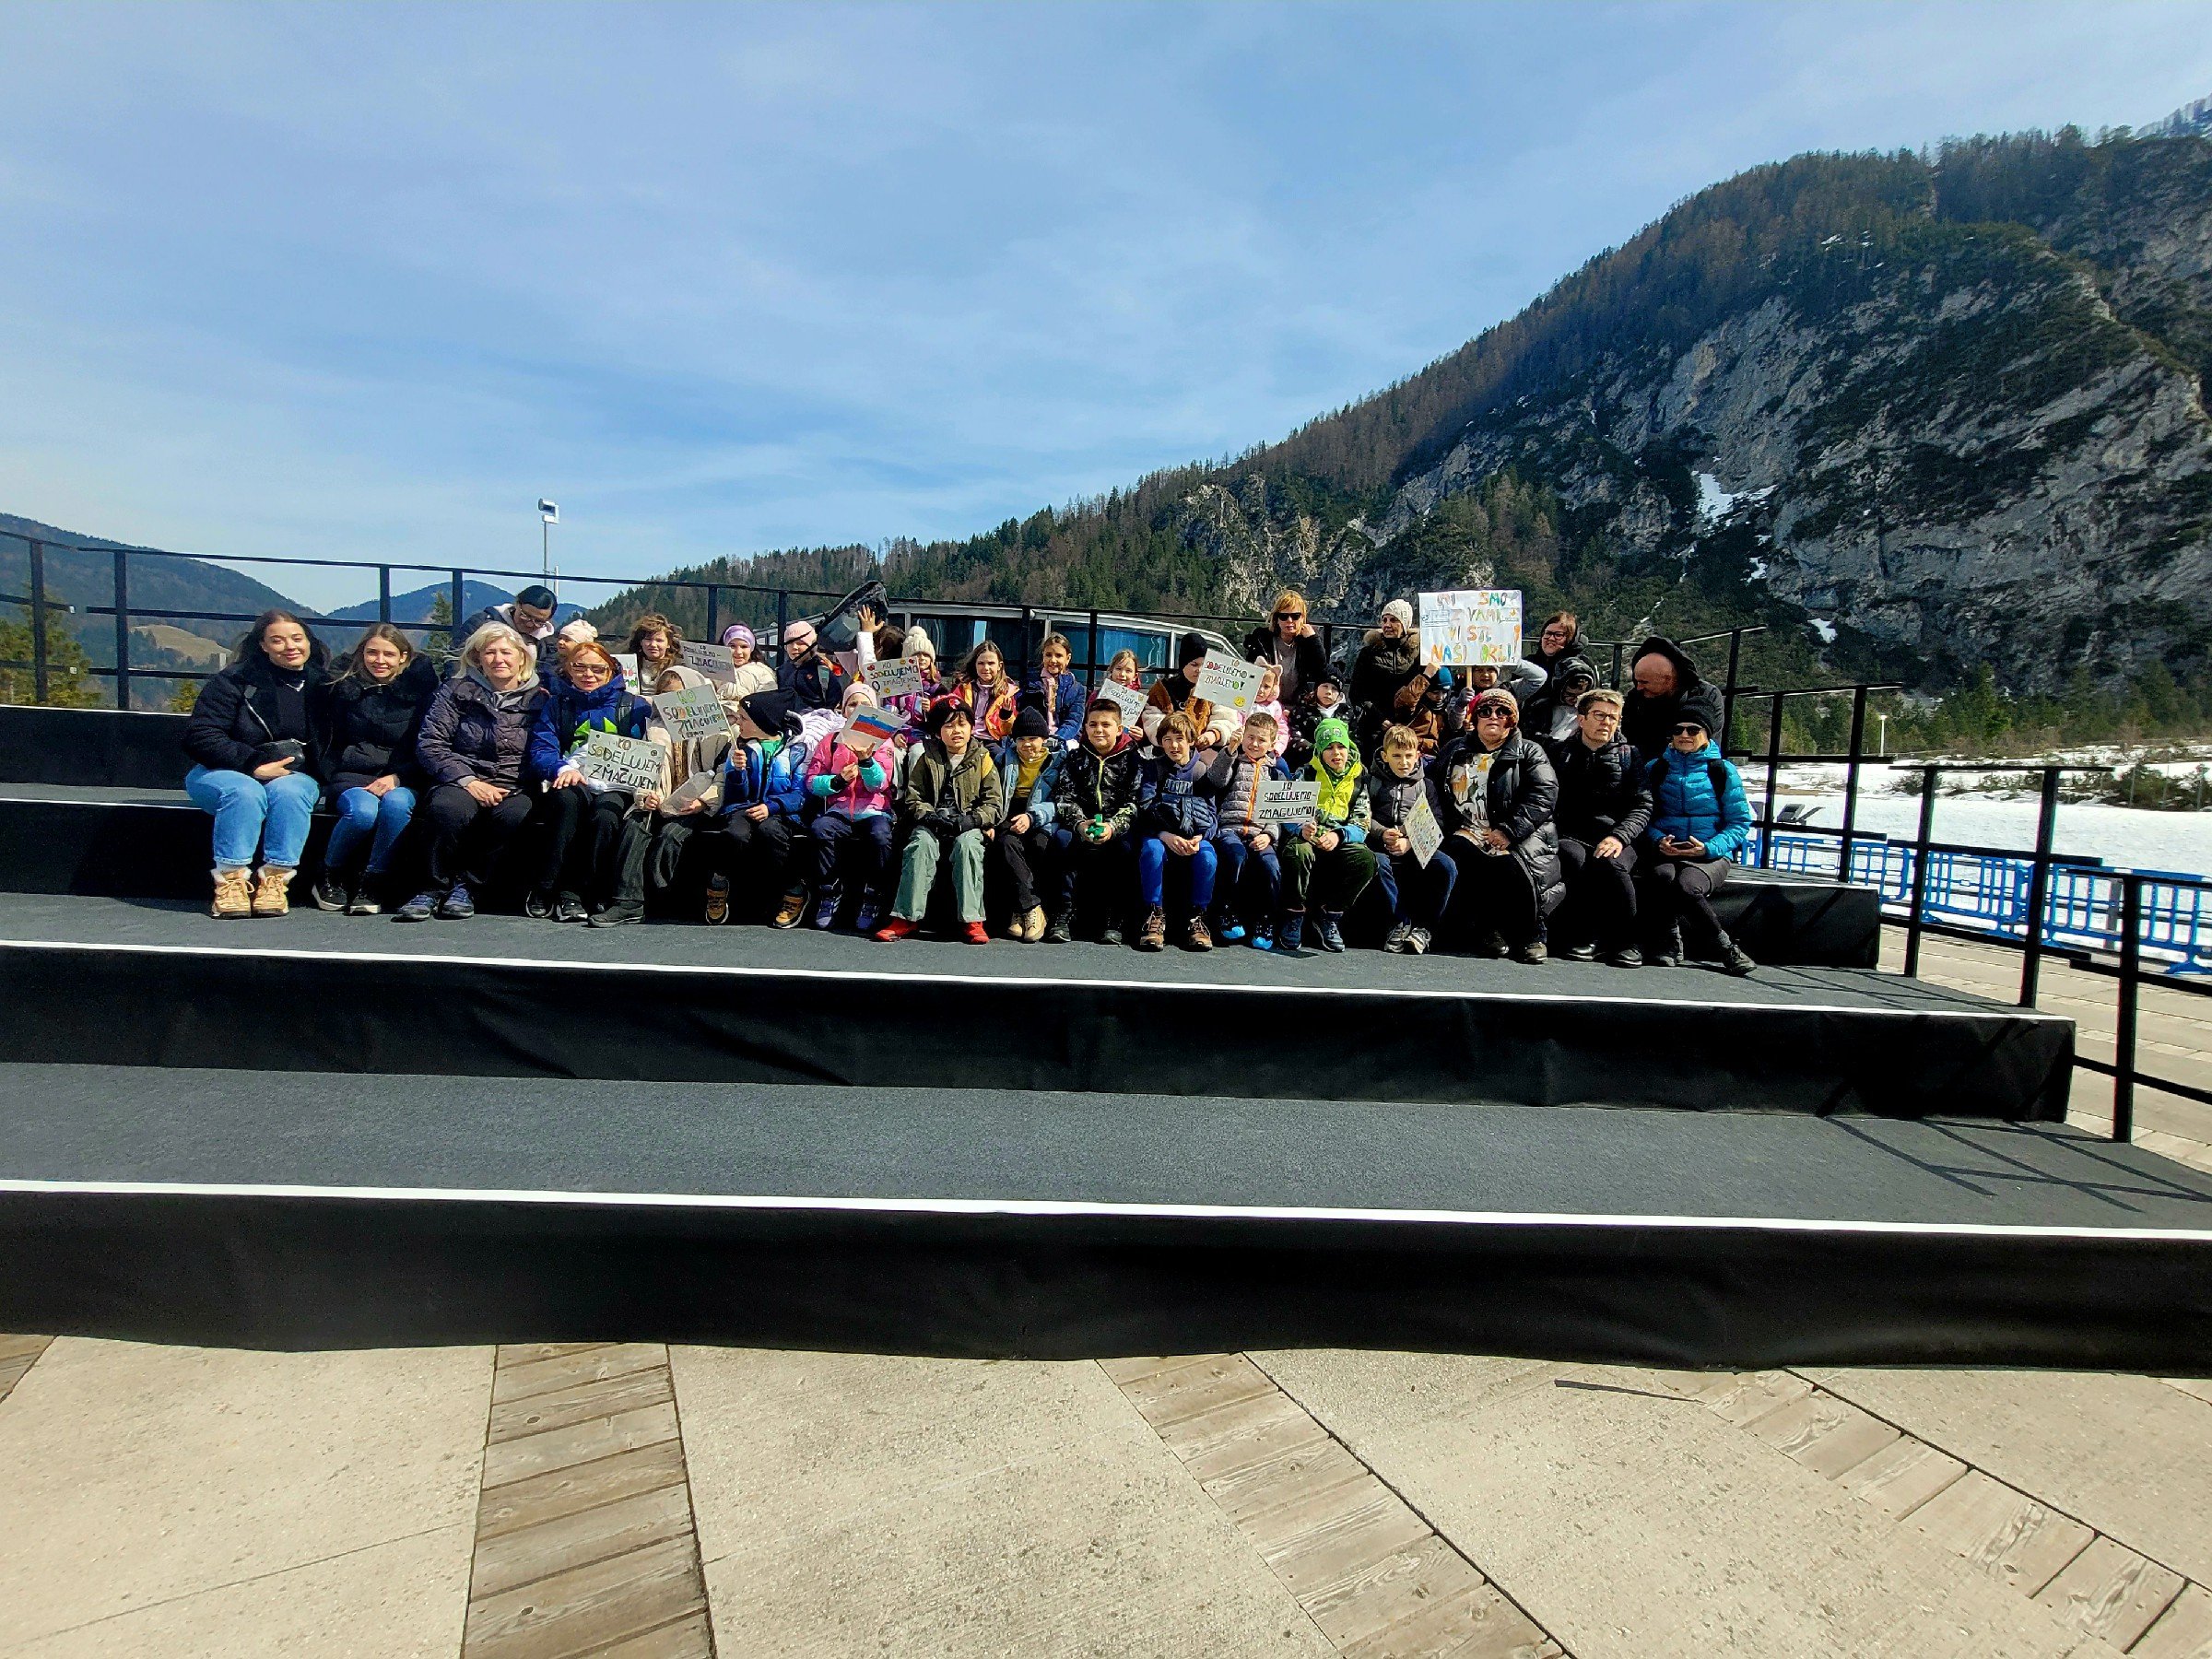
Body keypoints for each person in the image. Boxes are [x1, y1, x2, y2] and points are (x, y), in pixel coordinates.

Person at [182, 608, 330, 920]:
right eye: (277, 640)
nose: (290, 646)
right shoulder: (235, 681)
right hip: (223, 772)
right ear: (263, 645)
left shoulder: (325, 685)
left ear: (309, 641)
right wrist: (253, 765)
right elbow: (201, 736)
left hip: (292, 775)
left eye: (297, 638)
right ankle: (231, 883)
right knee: (245, 793)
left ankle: (275, 881)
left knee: (292, 793)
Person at [402, 621, 547, 921]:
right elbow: (431, 744)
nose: (498, 659)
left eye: (506, 652)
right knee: (448, 809)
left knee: (514, 815)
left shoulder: (541, 698)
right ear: (477, 657)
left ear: (522, 657)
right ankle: (432, 888)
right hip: (461, 778)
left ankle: (467, 887)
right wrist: (468, 781)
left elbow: (547, 745)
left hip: (514, 784)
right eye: (490, 652)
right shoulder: (454, 691)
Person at [309, 622, 437, 915]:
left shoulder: (423, 694)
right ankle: (329, 874)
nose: (380, 660)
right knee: (362, 813)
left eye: (388, 654)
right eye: (372, 653)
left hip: (403, 776)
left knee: (396, 806)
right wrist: (331, 770)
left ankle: (373, 881)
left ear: (403, 657)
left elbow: (428, 745)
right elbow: (325, 737)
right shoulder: (342, 690)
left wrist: (400, 776)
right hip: (352, 773)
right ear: (362, 654)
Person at [523, 640, 653, 923]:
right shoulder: (557, 704)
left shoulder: (635, 706)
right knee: (566, 803)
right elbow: (542, 748)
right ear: (568, 669)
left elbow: (649, 746)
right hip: (572, 776)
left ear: (611, 671)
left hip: (616, 782)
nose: (588, 674)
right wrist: (560, 768)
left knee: (606, 817)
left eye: (597, 669)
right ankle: (545, 886)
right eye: (579, 667)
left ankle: (578, 892)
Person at [593, 664, 732, 928]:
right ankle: (628, 902)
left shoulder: (719, 732)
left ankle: (662, 895)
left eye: (681, 695)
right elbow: (643, 771)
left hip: (698, 805)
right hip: (664, 801)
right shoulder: (655, 730)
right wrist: (646, 796)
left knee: (670, 835)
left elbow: (724, 774)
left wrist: (705, 801)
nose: (675, 704)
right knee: (634, 825)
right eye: (667, 696)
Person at [1431, 688, 1561, 964]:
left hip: (1520, 831)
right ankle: (1489, 931)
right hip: (1466, 830)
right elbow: (1431, 783)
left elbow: (1543, 795)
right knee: (1462, 857)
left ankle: (1533, 936)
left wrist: (1508, 831)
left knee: (1514, 866)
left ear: (1512, 720)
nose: (1494, 716)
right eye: (1485, 711)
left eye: (1503, 712)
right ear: (1474, 718)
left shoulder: (1529, 752)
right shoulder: (1455, 749)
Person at [877, 699, 1005, 944]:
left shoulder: (983, 758)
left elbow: (993, 803)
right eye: (948, 726)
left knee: (968, 847)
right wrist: (929, 816)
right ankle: (905, 917)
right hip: (933, 821)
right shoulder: (927, 757)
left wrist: (971, 820)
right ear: (938, 731)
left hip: (967, 822)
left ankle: (972, 919)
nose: (956, 731)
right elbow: (915, 797)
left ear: (971, 727)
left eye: (962, 725)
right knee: (920, 846)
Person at [1638, 711, 1757, 974]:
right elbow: (1642, 816)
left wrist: (1709, 848)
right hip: (1666, 851)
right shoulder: (1655, 769)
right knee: (1660, 877)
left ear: (1706, 735)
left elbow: (1739, 822)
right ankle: (1670, 941)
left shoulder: (1722, 771)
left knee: (1687, 886)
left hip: (1710, 853)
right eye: (1678, 730)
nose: (1684, 735)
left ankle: (1725, 947)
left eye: (1693, 730)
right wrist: (1658, 840)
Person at [1549, 689, 1653, 968]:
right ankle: (1587, 937)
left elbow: (1643, 805)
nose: (1607, 722)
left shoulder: (1630, 755)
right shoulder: (1559, 754)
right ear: (1581, 719)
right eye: (1599, 715)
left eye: (1613, 717)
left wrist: (1619, 836)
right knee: (1572, 858)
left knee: (1610, 863)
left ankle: (1629, 941)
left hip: (1618, 836)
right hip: (1572, 835)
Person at [701, 689, 812, 926]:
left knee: (771, 832)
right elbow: (735, 796)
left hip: (779, 810)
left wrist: (771, 807)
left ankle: (793, 888)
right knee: (735, 833)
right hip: (743, 806)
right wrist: (738, 773)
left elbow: (800, 794)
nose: (737, 722)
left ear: (763, 722)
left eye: (743, 718)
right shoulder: (741, 748)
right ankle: (718, 883)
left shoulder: (797, 752)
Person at [1045, 697, 1143, 945]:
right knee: (1062, 840)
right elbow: (1064, 797)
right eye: (1093, 724)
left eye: (1106, 725)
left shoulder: (1134, 760)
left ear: (1119, 729)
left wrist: (1112, 827)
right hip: (1082, 824)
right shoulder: (1075, 758)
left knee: (1126, 848)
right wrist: (1080, 824)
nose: (1099, 730)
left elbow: (1135, 803)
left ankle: (1114, 919)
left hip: (1117, 827)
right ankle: (1064, 914)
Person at [802, 687, 898, 932]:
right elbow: (812, 782)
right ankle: (829, 891)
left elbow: (880, 784)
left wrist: (866, 761)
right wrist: (838, 781)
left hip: (874, 810)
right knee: (820, 829)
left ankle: (873, 895)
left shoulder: (883, 743)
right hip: (840, 810)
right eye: (852, 704)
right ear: (843, 710)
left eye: (865, 705)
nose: (857, 710)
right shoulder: (831, 741)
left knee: (881, 836)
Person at [1279, 716, 1375, 954]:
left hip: (1338, 838)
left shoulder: (1359, 778)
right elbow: (1288, 814)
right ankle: (1294, 915)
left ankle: (1329, 915)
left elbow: (1362, 824)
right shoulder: (1305, 773)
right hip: (1308, 837)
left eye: (1341, 746)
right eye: (1329, 748)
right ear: (1320, 751)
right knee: (1297, 851)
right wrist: (1301, 827)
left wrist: (1339, 835)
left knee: (1365, 859)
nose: (1336, 753)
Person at [1135, 712, 1220, 951]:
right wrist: (1165, 835)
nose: (1174, 745)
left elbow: (1212, 815)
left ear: (1191, 740)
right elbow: (1145, 806)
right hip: (1161, 835)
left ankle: (1198, 918)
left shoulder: (1202, 771)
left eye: (1180, 739)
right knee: (1151, 851)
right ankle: (1154, 915)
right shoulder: (1154, 768)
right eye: (1168, 739)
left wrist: (1200, 837)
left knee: (1208, 856)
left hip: (1194, 837)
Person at [1205, 711, 1290, 947]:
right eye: (1250, 737)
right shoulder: (1233, 761)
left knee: (1271, 866)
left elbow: (1278, 814)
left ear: (1272, 744)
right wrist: (1230, 750)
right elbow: (1216, 780)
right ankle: (1227, 910)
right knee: (1236, 856)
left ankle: (1266, 920)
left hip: (1260, 833)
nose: (1254, 744)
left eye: (1261, 740)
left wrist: (1269, 835)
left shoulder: (1276, 773)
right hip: (1229, 829)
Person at [1368, 724, 1453, 956]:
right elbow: (1363, 815)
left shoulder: (1426, 785)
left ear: (1417, 755)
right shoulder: (1371, 781)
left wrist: (1409, 841)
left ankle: (1425, 929)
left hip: (1414, 844)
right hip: (1379, 843)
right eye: (1396, 756)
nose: (1403, 762)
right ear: (1385, 756)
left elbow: (1436, 822)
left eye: (1408, 756)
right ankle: (1400, 922)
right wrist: (1382, 833)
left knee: (1446, 866)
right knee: (1378, 864)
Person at [994, 704, 1065, 941]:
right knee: (1006, 844)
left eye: (1033, 739)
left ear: (1044, 739)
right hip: (1010, 814)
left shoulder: (1058, 761)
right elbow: (994, 794)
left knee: (1039, 844)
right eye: (1021, 739)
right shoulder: (1004, 759)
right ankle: (1029, 908)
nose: (1027, 744)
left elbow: (1061, 801)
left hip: (1044, 817)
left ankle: (1024, 908)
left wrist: (1032, 817)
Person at [1348, 599, 1438, 757]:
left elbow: (1429, 690)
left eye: (1394, 620)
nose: (1387, 625)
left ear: (1405, 624)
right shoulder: (1368, 653)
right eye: (1384, 620)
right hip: (1376, 726)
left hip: (1412, 725)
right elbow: (1357, 693)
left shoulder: (1420, 653)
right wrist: (1380, 720)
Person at [1621, 635, 1725, 768]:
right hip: (1644, 769)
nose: (1638, 687)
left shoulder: (1705, 695)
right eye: (1637, 681)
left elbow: (1707, 748)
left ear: (1667, 680)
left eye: (1644, 682)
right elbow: (1629, 740)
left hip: (1690, 770)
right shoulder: (1636, 698)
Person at [1143, 632, 1232, 754]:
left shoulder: (1214, 688)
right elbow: (1151, 720)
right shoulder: (1162, 689)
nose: (1199, 670)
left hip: (1202, 753)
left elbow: (1226, 718)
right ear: (1183, 663)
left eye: (1204, 665)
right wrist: (1176, 738)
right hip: (1167, 753)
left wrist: (1213, 734)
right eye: (1194, 665)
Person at [1241, 589, 1331, 711]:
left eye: (1295, 616)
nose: (1289, 620)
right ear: (1276, 619)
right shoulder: (1261, 640)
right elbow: (1250, 671)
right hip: (1265, 706)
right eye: (1283, 616)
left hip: (1298, 707)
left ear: (1302, 618)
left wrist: (1313, 639)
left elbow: (1321, 671)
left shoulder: (1307, 643)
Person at [458, 584, 561, 679]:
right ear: (517, 605)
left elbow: (550, 675)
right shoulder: (481, 624)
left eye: (538, 621)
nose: (530, 624)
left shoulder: (549, 642)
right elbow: (457, 658)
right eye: (525, 616)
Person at [949, 640, 1020, 751]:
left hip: (992, 740)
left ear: (999, 666)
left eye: (991, 663)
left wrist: (1006, 715)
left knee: (1000, 756)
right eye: (981, 663)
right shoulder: (963, 688)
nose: (986, 668)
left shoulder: (1009, 693)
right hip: (966, 737)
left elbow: (1008, 731)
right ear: (975, 665)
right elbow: (950, 711)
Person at [881, 628, 945, 747]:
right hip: (900, 734)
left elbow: (945, 715)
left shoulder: (936, 687)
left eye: (926, 655)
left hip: (923, 737)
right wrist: (895, 734)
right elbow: (889, 710)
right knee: (893, 754)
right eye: (916, 654)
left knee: (917, 754)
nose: (922, 658)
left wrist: (931, 708)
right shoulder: (897, 684)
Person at [1020, 632, 1086, 747]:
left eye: (1059, 656)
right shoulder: (1030, 683)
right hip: (1035, 737)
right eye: (1048, 655)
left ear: (1068, 658)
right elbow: (1025, 714)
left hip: (1065, 738)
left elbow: (1073, 721)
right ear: (1043, 656)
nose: (1053, 660)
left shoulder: (1077, 689)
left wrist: (1056, 739)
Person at [1524, 655, 1600, 749]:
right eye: (1570, 694)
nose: (1575, 700)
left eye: (1580, 696)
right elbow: (1528, 736)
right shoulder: (1541, 709)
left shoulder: (1592, 712)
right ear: (1559, 689)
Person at [776, 617, 849, 712]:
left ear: (811, 646)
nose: (794, 647)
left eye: (800, 643)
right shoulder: (781, 672)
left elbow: (834, 696)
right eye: (790, 643)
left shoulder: (822, 670)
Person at [1286, 671, 1349, 771]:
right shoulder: (1301, 711)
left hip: (1339, 763)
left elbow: (1353, 740)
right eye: (1325, 686)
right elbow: (1294, 736)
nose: (1329, 692)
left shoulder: (1347, 714)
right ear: (1316, 688)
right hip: (1306, 761)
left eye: (1334, 689)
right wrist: (1319, 750)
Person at [717, 623, 779, 701]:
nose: (738, 652)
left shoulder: (762, 673)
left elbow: (768, 702)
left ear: (751, 649)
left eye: (744, 647)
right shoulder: (712, 671)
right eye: (732, 646)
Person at [625, 614, 685, 689]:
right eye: (648, 639)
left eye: (659, 640)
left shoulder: (678, 668)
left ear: (668, 644)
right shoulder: (629, 664)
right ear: (641, 642)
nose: (653, 645)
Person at [1526, 610, 1583, 688]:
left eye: (1558, 635)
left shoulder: (1577, 668)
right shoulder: (1527, 665)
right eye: (1548, 633)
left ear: (1570, 640)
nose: (1551, 638)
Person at [1246, 665, 1289, 760]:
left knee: (1282, 766)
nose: (1260, 690)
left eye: (1266, 687)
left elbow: (1282, 730)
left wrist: (1276, 748)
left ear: (1273, 689)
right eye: (1257, 684)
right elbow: (1237, 722)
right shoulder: (1242, 702)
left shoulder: (1275, 707)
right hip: (1244, 748)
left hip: (1267, 751)